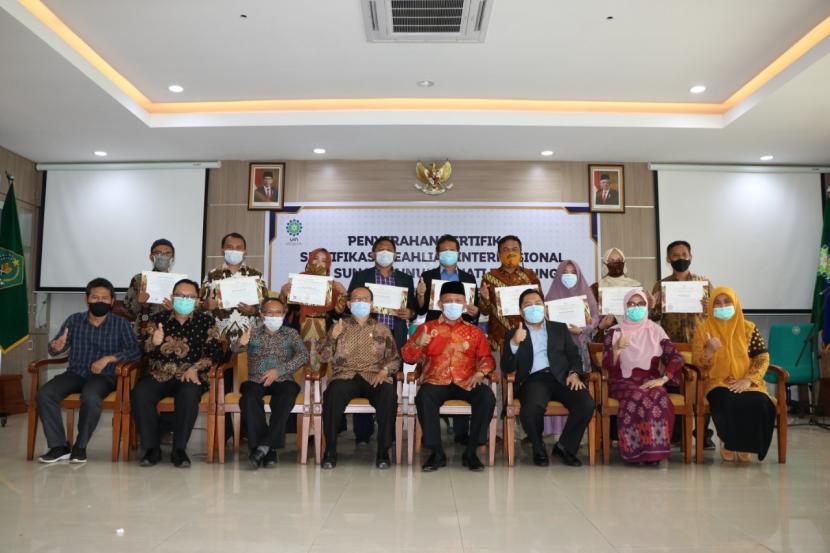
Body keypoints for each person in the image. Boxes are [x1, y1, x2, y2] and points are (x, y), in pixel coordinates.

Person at [36, 278, 141, 463]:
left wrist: (109, 358)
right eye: (95, 297)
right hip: (76, 373)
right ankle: (58, 446)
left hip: (105, 376)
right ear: (87, 299)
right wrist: (57, 346)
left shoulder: (120, 324)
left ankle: (80, 446)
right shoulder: (74, 320)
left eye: (104, 298)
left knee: (90, 397)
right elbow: (54, 349)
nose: (99, 301)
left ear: (111, 301)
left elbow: (135, 351)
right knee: (45, 394)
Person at [402, 281, 496, 472]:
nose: (453, 304)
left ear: (465, 304)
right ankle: (436, 452)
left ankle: (471, 452)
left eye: (458, 300)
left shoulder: (475, 332)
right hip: (436, 380)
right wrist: (418, 344)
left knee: (486, 396)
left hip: (466, 380)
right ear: (439, 304)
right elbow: (407, 357)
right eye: (448, 301)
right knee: (424, 397)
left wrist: (480, 372)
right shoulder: (427, 328)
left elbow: (487, 358)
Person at [132, 279, 224, 468]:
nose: (185, 299)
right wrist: (154, 343)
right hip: (159, 375)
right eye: (180, 295)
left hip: (189, 375)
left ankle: (179, 450)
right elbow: (144, 350)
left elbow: (215, 353)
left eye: (190, 296)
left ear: (198, 300)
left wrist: (195, 368)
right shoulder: (158, 320)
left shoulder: (206, 321)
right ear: (172, 297)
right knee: (140, 394)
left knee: (189, 396)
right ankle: (151, 449)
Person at [502, 289, 595, 466]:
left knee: (586, 404)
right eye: (528, 305)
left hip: (562, 377)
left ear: (544, 307)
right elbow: (506, 367)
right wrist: (514, 343)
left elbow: (573, 356)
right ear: (521, 312)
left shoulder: (559, 328)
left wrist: (574, 373)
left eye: (538, 304)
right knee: (531, 408)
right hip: (533, 379)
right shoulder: (514, 333)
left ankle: (565, 447)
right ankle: (538, 448)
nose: (534, 308)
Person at [316, 287, 401, 469]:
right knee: (333, 393)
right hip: (345, 375)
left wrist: (385, 371)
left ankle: (383, 452)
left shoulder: (382, 329)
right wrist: (332, 337)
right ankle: (330, 450)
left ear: (371, 305)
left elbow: (394, 358)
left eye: (365, 299)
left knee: (388, 392)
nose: (361, 302)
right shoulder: (338, 326)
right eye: (356, 299)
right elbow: (323, 357)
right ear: (348, 304)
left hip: (374, 376)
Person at [692, 287, 776, 462]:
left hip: (747, 379)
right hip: (717, 381)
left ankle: (747, 445)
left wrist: (748, 379)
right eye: (718, 303)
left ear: (736, 303)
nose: (723, 306)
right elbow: (697, 364)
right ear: (711, 306)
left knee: (760, 402)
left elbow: (762, 357)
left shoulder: (749, 328)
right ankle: (729, 442)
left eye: (727, 301)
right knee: (727, 398)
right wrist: (708, 351)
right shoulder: (703, 330)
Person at [603, 289, 685, 465]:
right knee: (638, 396)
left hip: (650, 379)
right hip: (621, 381)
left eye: (640, 304)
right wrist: (616, 349)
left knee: (658, 394)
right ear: (625, 307)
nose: (636, 307)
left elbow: (676, 357)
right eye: (631, 304)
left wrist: (663, 379)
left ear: (647, 306)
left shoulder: (656, 330)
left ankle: (654, 453)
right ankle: (635, 451)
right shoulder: (614, 332)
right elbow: (607, 366)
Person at [348, 236, 416, 443]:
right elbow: (351, 305)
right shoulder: (361, 276)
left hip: (395, 336)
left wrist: (410, 313)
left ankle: (388, 431)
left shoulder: (405, 279)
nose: (385, 252)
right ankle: (363, 432)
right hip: (367, 336)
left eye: (389, 249)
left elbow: (413, 308)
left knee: (390, 382)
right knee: (364, 374)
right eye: (380, 249)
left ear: (395, 255)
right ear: (372, 254)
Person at [649, 239, 715, 449]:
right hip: (672, 347)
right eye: (675, 256)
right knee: (674, 388)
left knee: (702, 389)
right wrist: (655, 305)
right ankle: (676, 434)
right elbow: (654, 317)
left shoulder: (703, 283)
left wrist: (708, 307)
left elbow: (716, 315)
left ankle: (703, 435)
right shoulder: (661, 285)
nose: (680, 259)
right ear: (668, 259)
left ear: (690, 257)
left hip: (699, 346)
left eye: (684, 255)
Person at [415, 234, 479, 444]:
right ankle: (431, 436)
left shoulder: (469, 278)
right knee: (434, 382)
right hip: (437, 336)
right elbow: (421, 309)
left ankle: (462, 434)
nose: (448, 253)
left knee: (462, 373)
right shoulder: (428, 275)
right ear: (437, 254)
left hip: (462, 336)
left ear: (459, 253)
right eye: (444, 250)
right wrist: (422, 296)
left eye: (452, 249)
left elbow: (473, 312)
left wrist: (475, 310)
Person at [232, 297, 309, 469]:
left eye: (278, 312)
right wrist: (239, 343)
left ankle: (262, 447)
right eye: (269, 312)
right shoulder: (251, 332)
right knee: (248, 399)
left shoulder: (291, 334)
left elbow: (304, 355)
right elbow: (234, 351)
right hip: (256, 379)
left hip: (283, 379)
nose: (274, 316)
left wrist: (279, 370)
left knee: (287, 395)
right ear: (262, 314)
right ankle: (268, 447)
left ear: (284, 314)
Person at [542, 260, 601, 438]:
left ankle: (577, 432)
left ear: (579, 274)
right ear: (559, 274)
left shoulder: (586, 293)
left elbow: (596, 318)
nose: (568, 275)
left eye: (572, 271)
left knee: (577, 390)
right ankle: (552, 431)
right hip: (557, 352)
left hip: (579, 348)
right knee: (558, 386)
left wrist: (583, 329)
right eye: (564, 271)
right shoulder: (551, 295)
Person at [278, 247, 347, 370]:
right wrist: (283, 294)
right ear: (309, 260)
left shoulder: (333, 287)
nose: (319, 263)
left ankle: (317, 385)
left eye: (323, 261)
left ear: (328, 264)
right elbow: (284, 310)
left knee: (318, 367)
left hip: (324, 332)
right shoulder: (298, 280)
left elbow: (337, 313)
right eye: (315, 258)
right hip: (298, 330)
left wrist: (343, 294)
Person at [201, 232, 267, 344]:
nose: (234, 251)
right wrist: (206, 305)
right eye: (230, 247)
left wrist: (254, 310)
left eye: (239, 248)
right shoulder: (211, 275)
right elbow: (199, 305)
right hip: (218, 337)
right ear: (223, 250)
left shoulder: (256, 275)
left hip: (249, 337)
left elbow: (266, 307)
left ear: (245, 252)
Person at [478, 235, 541, 353]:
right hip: (498, 337)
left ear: (521, 253)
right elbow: (484, 311)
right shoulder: (489, 277)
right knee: (501, 370)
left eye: (514, 249)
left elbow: (540, 305)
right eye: (506, 250)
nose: (510, 253)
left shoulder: (530, 276)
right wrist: (485, 298)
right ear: (498, 254)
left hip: (527, 334)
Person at [589, 247, 642, 344]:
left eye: (619, 260)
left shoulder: (635, 286)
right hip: (605, 340)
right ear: (605, 263)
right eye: (611, 261)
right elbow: (588, 319)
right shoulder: (596, 288)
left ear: (624, 262)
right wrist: (601, 326)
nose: (616, 263)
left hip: (632, 339)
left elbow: (642, 315)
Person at [123, 238, 176, 332]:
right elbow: (129, 310)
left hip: (171, 331)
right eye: (158, 253)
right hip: (144, 330)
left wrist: (175, 309)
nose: (162, 256)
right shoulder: (140, 279)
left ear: (173, 258)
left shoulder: (179, 283)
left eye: (167, 253)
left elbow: (187, 313)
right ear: (151, 257)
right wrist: (139, 303)